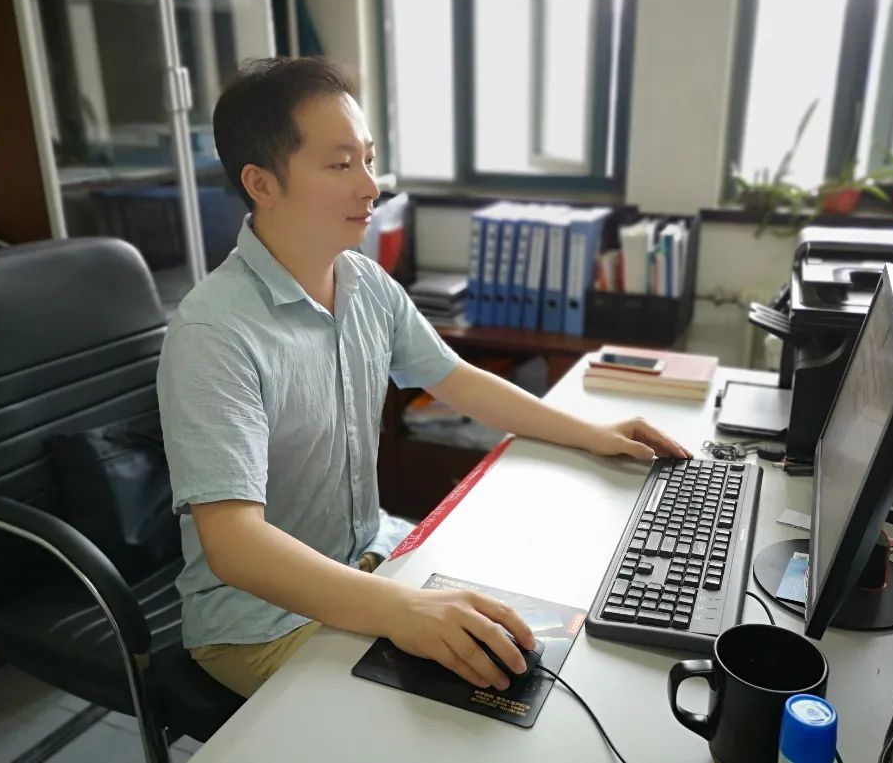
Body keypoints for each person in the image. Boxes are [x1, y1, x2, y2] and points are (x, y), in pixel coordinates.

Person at [157, 56, 690, 699]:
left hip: (373, 559)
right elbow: (234, 546)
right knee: (462, 714)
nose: (370, 187)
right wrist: (401, 609)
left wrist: (592, 432)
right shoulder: (213, 333)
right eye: (340, 165)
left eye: (368, 160)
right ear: (261, 184)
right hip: (259, 623)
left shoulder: (363, 282)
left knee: (538, 641)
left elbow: (455, 378)